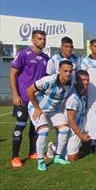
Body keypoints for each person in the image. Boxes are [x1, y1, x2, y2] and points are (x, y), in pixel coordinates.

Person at [9, 30, 49, 167]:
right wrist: (15, 94)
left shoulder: (46, 58)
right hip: (23, 98)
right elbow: (13, 73)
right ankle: (15, 157)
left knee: (34, 127)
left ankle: (33, 152)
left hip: (36, 100)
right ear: (32, 40)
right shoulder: (23, 54)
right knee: (20, 126)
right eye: (39, 38)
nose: (42, 41)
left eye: (44, 39)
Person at [26, 60, 73, 171]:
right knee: (43, 131)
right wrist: (37, 108)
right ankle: (41, 161)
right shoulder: (48, 80)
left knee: (65, 129)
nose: (68, 73)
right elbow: (29, 90)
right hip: (38, 108)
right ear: (59, 71)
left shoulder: (71, 82)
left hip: (54, 110)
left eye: (70, 71)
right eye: (65, 71)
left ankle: (57, 157)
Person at [65, 70, 96, 161]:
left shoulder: (84, 92)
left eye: (87, 80)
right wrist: (80, 135)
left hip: (82, 122)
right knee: (72, 159)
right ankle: (54, 147)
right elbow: (70, 118)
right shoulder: (73, 98)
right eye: (83, 80)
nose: (86, 82)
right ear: (76, 81)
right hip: (73, 128)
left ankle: (82, 145)